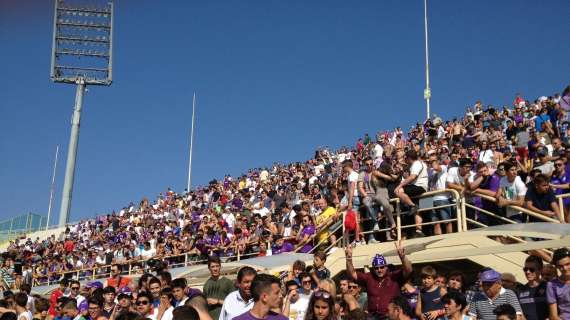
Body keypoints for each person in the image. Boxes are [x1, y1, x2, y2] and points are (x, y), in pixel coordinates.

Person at [345, 240, 412, 320]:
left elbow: (408, 270)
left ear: (386, 267)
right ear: (373, 269)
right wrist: (348, 258)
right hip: (372, 317)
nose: (379, 270)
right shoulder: (369, 277)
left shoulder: (394, 276)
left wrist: (403, 257)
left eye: (382, 267)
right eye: (376, 268)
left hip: (389, 316)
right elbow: (352, 274)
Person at [394, 150, 428, 237]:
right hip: (421, 187)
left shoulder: (416, 164)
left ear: (409, 158)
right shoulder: (421, 163)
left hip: (419, 187)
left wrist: (399, 185)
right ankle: (419, 230)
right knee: (417, 211)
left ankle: (412, 206)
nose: (405, 160)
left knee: (398, 191)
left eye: (406, 158)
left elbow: (413, 177)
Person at [202, 256, 234, 320]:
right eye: (213, 267)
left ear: (220, 267)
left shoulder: (228, 282)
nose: (215, 269)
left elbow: (234, 303)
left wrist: (218, 301)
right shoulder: (206, 284)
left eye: (217, 266)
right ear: (209, 268)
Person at [517, 255, 548, 320]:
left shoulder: (548, 287)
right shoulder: (520, 290)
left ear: (540, 270)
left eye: (531, 269)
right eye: (525, 269)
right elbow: (520, 315)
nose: (527, 272)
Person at [547, 248, 570, 320]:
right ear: (556, 267)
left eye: (568, 264)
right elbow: (553, 316)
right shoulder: (551, 285)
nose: (565, 268)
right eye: (561, 266)